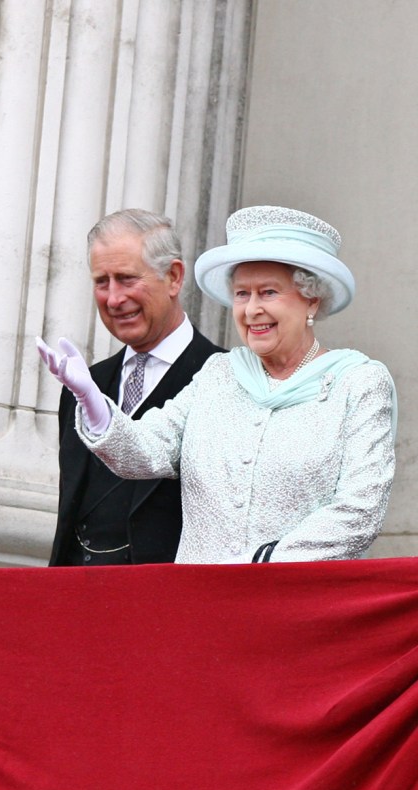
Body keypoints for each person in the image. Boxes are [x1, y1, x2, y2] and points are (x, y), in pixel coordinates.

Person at [38, 205, 397, 563]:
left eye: (268, 292)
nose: (251, 309)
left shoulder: (359, 384)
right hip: (199, 604)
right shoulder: (218, 374)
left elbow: (359, 511)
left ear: (311, 300)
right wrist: (91, 400)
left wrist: (263, 562)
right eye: (242, 294)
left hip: (295, 604)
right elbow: (146, 451)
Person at [48, 209, 223, 566]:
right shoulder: (83, 386)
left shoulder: (223, 380)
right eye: (102, 281)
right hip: (80, 603)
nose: (113, 299)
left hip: (167, 605)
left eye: (126, 279)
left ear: (173, 277)